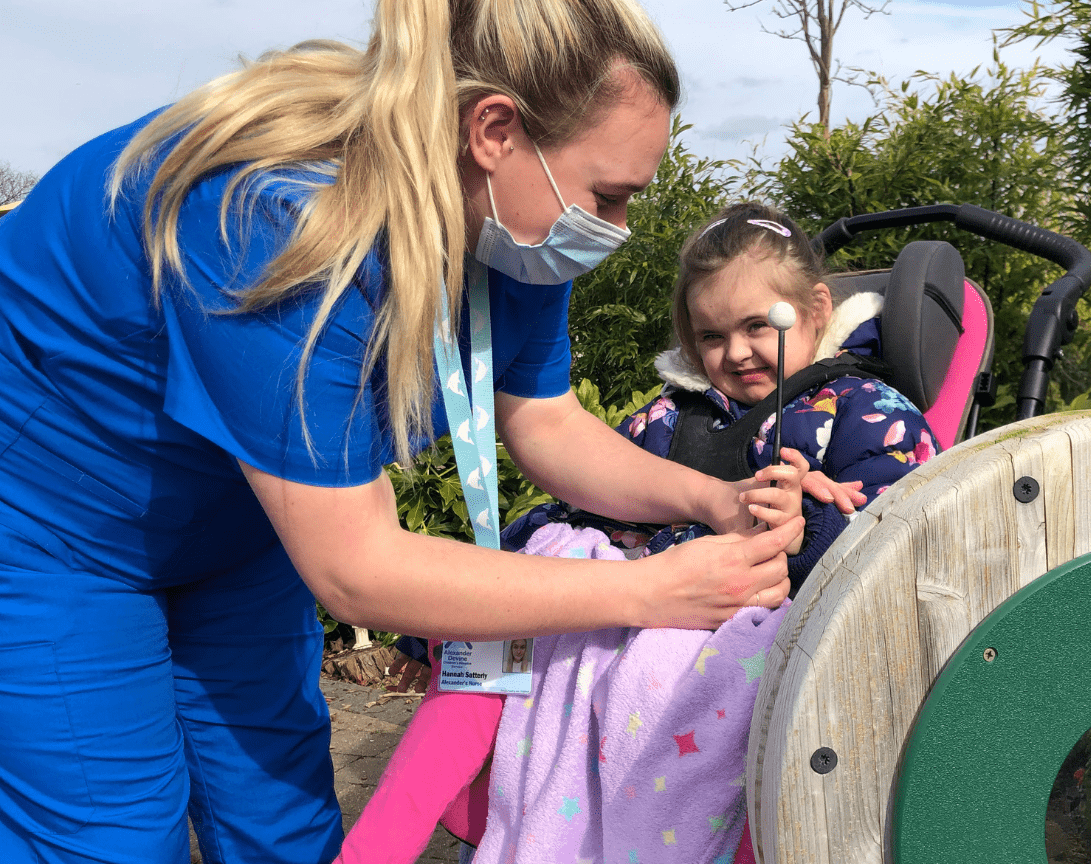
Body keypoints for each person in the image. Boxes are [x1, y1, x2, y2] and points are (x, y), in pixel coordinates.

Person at [0, 4, 853, 862]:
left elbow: (545, 422)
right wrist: (653, 590)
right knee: (109, 835)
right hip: (56, 530)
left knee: (280, 817)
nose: (618, 229)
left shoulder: (515, 231)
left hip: (246, 522)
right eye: (609, 196)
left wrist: (713, 496)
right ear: (494, 130)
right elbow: (357, 570)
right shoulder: (276, 220)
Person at [338, 202, 941, 864]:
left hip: (740, 649)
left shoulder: (864, 412)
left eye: (755, 327)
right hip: (617, 627)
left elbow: (897, 550)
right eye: (711, 337)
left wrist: (813, 526)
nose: (736, 353)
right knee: (492, 639)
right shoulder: (665, 418)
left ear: (819, 309)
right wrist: (459, 607)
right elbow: (576, 511)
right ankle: (373, 851)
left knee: (757, 703)